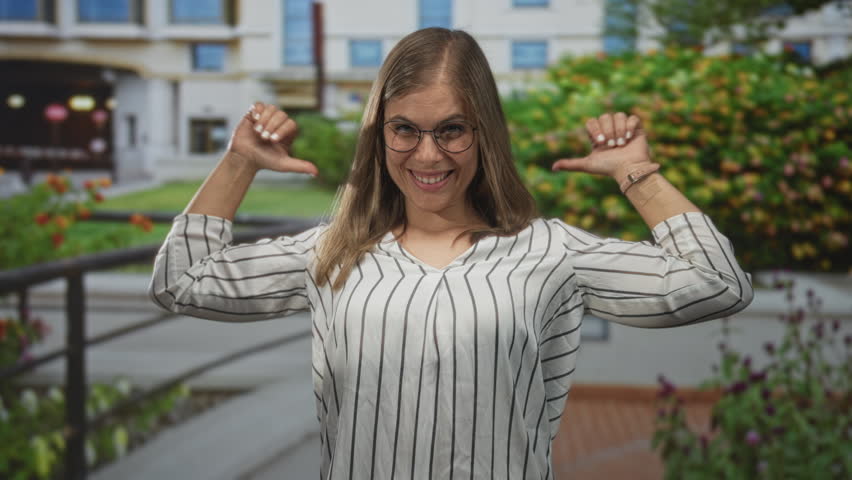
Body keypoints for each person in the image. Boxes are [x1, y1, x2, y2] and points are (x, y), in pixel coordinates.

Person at [149, 27, 753, 480]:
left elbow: (718, 282)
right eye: (404, 129)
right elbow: (181, 281)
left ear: (484, 134)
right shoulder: (332, 252)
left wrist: (636, 174)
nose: (428, 155)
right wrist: (238, 162)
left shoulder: (550, 251)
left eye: (452, 130)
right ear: (380, 134)